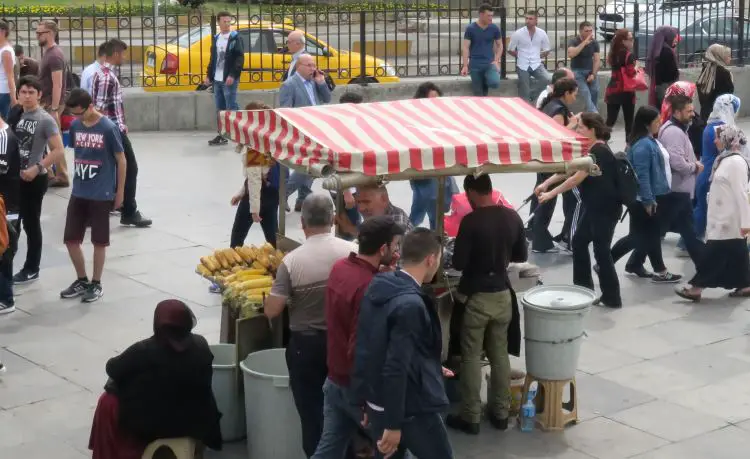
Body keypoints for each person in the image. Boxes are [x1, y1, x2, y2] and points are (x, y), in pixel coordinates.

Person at [264, 193, 355, 458]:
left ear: (302, 223)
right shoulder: (352, 251)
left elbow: (273, 310)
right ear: (332, 220)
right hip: (344, 343)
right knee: (343, 408)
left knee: (312, 412)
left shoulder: (292, 262)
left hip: (307, 347)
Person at [352, 228, 454, 459]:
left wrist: (363, 400)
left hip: (378, 402)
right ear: (431, 259)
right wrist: (394, 424)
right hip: (407, 409)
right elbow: (396, 366)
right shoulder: (410, 305)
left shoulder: (378, 286)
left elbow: (367, 346)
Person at [312, 216, 404, 459]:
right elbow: (360, 346)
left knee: (329, 448)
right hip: (357, 388)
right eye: (394, 246)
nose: (396, 251)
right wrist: (366, 399)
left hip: (334, 380)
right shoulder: (370, 287)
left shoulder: (340, 268)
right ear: (383, 248)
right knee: (390, 451)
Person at [88, 299, 222, 459]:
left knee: (108, 400)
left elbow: (112, 368)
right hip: (196, 421)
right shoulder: (200, 344)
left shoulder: (144, 350)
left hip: (154, 425)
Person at [445, 173, 527, 434]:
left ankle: (471, 416)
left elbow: (458, 263)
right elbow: (521, 255)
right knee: (499, 354)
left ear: (470, 191)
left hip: (477, 297)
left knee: (471, 356)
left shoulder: (470, 222)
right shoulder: (512, 217)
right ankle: (501, 413)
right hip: (503, 294)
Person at [536, 113, 623, 307]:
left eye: (581, 127)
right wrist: (546, 183)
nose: (578, 131)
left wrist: (550, 194)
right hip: (593, 208)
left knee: (602, 252)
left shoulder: (599, 152)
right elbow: (569, 169)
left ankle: (612, 297)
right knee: (579, 242)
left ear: (592, 130)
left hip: (605, 210)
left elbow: (576, 178)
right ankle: (583, 288)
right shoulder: (590, 150)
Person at [59, 89, 126, 303]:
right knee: (71, 238)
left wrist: (120, 191)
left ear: (90, 106)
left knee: (99, 241)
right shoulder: (76, 125)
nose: (76, 118)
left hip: (101, 192)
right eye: (73, 114)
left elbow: (121, 160)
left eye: (79, 113)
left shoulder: (108, 128)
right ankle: (82, 279)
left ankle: (96, 283)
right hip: (80, 190)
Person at [675, 125, 750, 301]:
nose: (715, 140)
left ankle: (696, 287)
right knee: (737, 253)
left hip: (728, 220)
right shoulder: (726, 159)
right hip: (722, 218)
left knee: (712, 254)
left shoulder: (735, 162)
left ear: (727, 139)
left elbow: (741, 193)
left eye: (718, 137)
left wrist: (746, 222)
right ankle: (746, 284)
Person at [611, 106, 681, 282]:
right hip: (644, 199)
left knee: (649, 235)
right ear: (646, 124)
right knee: (638, 237)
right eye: (656, 121)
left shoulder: (645, 141)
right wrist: (649, 200)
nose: (660, 124)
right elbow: (642, 176)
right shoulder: (643, 145)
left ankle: (658, 270)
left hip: (646, 197)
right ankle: (607, 261)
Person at [91, 39, 151, 228]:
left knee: (111, 169)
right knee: (130, 168)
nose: (124, 57)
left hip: (113, 128)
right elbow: (99, 108)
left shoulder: (101, 73)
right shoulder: (107, 77)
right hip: (112, 129)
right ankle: (128, 210)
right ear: (115, 54)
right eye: (122, 54)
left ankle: (115, 205)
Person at [12, 76, 64, 285]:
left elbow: (58, 150)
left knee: (31, 224)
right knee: (11, 223)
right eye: (23, 92)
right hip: (12, 178)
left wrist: (38, 167)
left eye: (31, 92)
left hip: (33, 179)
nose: (26, 96)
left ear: (39, 95)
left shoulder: (45, 119)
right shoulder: (15, 114)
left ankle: (32, 268)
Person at [532, 78, 579, 254]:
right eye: (574, 94)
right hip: (553, 161)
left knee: (548, 199)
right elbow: (558, 137)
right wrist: (573, 124)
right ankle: (541, 241)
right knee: (548, 202)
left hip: (546, 160)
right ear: (566, 93)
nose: (575, 98)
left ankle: (545, 239)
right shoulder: (558, 109)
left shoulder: (550, 105)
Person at [657, 94, 706, 264]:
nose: (693, 114)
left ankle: (635, 262)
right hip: (678, 190)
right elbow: (676, 161)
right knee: (652, 233)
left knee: (686, 230)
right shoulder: (674, 132)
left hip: (679, 189)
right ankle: (703, 265)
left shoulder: (675, 128)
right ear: (677, 112)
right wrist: (695, 167)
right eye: (689, 111)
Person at [280, 54, 332, 213]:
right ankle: (284, 193)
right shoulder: (289, 85)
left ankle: (302, 199)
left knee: (313, 164)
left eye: (314, 65)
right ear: (299, 66)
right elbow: (285, 110)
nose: (313, 68)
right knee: (308, 165)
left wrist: (322, 83)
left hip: (317, 129)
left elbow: (327, 99)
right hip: (301, 131)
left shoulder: (315, 82)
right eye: (309, 65)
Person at [229, 101, 280, 249]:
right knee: (273, 238)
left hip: (258, 195)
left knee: (237, 237)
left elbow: (255, 179)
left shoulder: (254, 146)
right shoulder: (271, 139)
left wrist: (254, 209)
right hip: (272, 194)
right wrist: (241, 192)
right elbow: (261, 172)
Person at [409, 82, 457, 230]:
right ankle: (431, 235)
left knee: (449, 199)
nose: (436, 103)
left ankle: (417, 231)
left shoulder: (442, 118)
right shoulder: (415, 120)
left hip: (442, 167)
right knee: (429, 205)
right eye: (432, 99)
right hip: (425, 169)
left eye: (437, 98)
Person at [695, 94, 741, 240]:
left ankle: (689, 241)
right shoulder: (721, 129)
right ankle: (688, 243)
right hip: (712, 175)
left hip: (705, 172)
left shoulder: (711, 124)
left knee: (702, 208)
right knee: (705, 210)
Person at [36, 20, 70, 187]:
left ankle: (61, 175)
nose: (37, 35)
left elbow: (57, 84)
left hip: (51, 104)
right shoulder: (49, 53)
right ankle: (49, 173)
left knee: (54, 142)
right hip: (46, 103)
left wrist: (55, 109)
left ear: (50, 33)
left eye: (39, 33)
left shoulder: (55, 55)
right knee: (44, 140)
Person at [205, 11, 244, 147]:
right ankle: (222, 135)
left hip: (229, 79)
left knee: (231, 106)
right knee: (220, 108)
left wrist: (232, 75)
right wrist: (209, 75)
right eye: (224, 22)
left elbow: (239, 58)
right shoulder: (216, 38)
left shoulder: (235, 38)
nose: (227, 24)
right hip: (217, 79)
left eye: (229, 21)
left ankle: (242, 134)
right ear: (219, 22)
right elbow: (213, 59)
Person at [337, 184, 414, 239]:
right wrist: (349, 228)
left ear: (384, 199)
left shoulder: (397, 220)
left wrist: (350, 229)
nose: (361, 208)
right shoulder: (378, 217)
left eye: (366, 202)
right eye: (358, 202)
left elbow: (380, 243)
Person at [508, 10, 551, 104]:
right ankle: (525, 104)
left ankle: (532, 95)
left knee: (547, 79)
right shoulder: (518, 33)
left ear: (536, 20)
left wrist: (539, 56)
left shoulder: (541, 33)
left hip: (536, 63)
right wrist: (519, 56)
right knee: (524, 89)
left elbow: (547, 49)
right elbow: (510, 49)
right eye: (526, 18)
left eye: (530, 19)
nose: (528, 21)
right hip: (522, 64)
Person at [0, 112, 20, 314]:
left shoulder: (4, 136)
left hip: (8, 205)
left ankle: (6, 298)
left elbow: (1, 169)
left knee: (4, 249)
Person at [461, 3, 502, 97]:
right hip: (475, 65)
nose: (491, 18)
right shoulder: (471, 28)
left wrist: (496, 60)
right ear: (481, 15)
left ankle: (487, 77)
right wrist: (465, 66)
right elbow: (465, 47)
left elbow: (500, 45)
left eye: (492, 15)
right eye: (488, 16)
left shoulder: (494, 28)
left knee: (494, 83)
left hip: (489, 63)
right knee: (479, 94)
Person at [605, 28, 637, 137]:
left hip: (613, 89)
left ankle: (601, 140)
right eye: (630, 39)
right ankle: (629, 145)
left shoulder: (613, 53)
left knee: (610, 120)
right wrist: (636, 67)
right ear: (623, 41)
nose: (632, 41)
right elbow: (631, 73)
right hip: (627, 91)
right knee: (629, 121)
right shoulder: (628, 55)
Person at [567, 21, 600, 113]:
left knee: (595, 91)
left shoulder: (594, 42)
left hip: (590, 71)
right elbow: (571, 54)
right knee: (586, 93)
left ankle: (590, 115)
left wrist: (593, 74)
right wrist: (584, 43)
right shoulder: (574, 41)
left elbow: (597, 60)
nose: (589, 33)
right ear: (580, 31)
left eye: (591, 31)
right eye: (586, 31)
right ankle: (595, 115)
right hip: (577, 72)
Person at [696, 44, 733, 122]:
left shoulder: (706, 69)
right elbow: (729, 94)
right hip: (718, 114)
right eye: (728, 56)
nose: (730, 58)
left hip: (705, 112)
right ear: (720, 56)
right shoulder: (724, 73)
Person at [646, 26, 679, 108]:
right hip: (666, 87)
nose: (676, 39)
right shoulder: (667, 52)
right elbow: (672, 73)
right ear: (669, 37)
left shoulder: (658, 49)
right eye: (674, 36)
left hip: (658, 86)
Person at [0, 21, 16, 120]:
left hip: (3, 92)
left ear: (2, 31)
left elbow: (10, 75)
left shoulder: (6, 51)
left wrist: (13, 98)